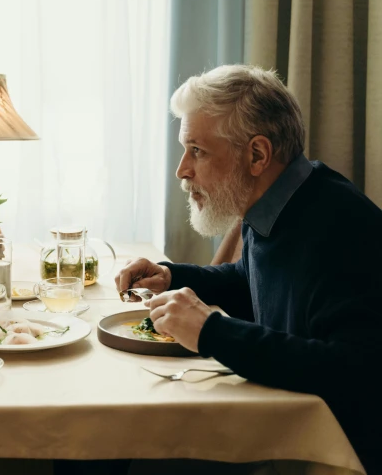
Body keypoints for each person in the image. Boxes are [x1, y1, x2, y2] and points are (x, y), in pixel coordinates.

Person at [116, 65, 382, 474]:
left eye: (197, 151)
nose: (182, 170)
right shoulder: (278, 204)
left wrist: (211, 332)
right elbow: (252, 282)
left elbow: (354, 371)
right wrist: (173, 276)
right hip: (285, 420)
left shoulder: (340, 227)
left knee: (139, 453)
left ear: (257, 155)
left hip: (330, 451)